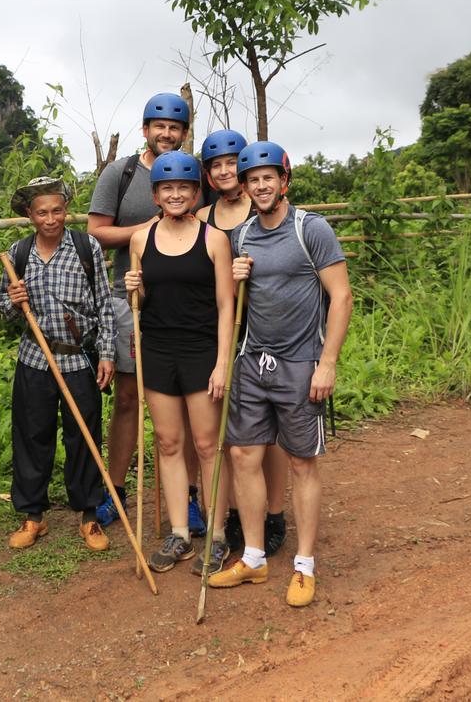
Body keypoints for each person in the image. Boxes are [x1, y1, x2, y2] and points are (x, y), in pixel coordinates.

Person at [207, 142, 352, 608]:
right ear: (243, 187)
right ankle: (252, 556)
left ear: (283, 179)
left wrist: (326, 362)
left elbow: (342, 297)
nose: (261, 185)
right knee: (244, 455)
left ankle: (305, 565)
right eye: (252, 179)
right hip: (253, 361)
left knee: (301, 461)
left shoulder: (312, 229)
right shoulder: (243, 235)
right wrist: (238, 271)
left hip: (300, 363)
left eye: (268, 177)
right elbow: (230, 301)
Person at [87, 92, 209, 534]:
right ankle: (115, 491)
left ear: (184, 133)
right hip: (130, 299)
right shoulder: (120, 174)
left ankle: (189, 498)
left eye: (175, 127)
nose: (167, 133)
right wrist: (149, 229)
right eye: (159, 126)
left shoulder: (190, 174)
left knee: (185, 405)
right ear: (145, 129)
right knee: (126, 399)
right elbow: (96, 231)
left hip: (186, 307)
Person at [124, 151, 235, 574]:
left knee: (207, 445)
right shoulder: (141, 239)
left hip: (201, 351)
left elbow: (226, 306)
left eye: (184, 188)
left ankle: (218, 534)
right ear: (156, 194)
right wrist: (135, 289)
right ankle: (179, 534)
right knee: (169, 444)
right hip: (157, 350)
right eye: (167, 188)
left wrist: (222, 362)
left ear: (195, 192)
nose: (175, 194)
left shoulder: (214, 239)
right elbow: (142, 303)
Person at [0, 177, 115, 552]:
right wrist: (12, 301)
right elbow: (3, 310)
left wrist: (108, 352)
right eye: (42, 212)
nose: (51, 219)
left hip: (78, 357)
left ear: (66, 210)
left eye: (58, 210)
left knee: (84, 435)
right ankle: (33, 516)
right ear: (30, 216)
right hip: (34, 357)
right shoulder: (18, 253)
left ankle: (89, 515)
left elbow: (104, 304)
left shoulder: (86, 247)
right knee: (32, 435)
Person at [196, 130, 291, 559]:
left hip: (265, 327)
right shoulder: (201, 218)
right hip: (219, 328)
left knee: (268, 432)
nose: (225, 171)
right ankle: (234, 512)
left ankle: (274, 511)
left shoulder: (265, 206)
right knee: (231, 430)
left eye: (231, 162)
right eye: (215, 165)